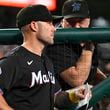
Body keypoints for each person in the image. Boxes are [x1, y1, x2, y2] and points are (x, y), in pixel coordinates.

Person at [0, 4, 92, 110]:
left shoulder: (46, 61)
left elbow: (55, 97)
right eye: (49, 23)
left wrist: (73, 95)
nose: (54, 29)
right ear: (34, 26)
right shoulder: (15, 60)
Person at [46, 0, 106, 90]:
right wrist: (88, 48)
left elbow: (91, 69)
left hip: (79, 98)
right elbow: (76, 80)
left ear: (88, 20)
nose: (77, 26)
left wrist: (104, 84)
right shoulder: (54, 39)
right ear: (63, 21)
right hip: (57, 101)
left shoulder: (88, 36)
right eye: (71, 21)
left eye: (81, 21)